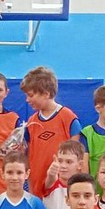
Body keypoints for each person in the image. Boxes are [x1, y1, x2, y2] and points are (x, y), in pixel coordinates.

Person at [21, 66, 81, 199]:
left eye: (30, 95)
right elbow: (28, 157)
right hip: (37, 190)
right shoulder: (31, 122)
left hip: (61, 191)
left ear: (46, 94)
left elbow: (77, 157)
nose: (27, 100)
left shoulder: (68, 118)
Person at [43, 140, 85, 209]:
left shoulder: (85, 189)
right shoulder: (52, 184)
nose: (63, 166)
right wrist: (51, 174)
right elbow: (49, 182)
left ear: (80, 164)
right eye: (60, 161)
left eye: (69, 162)